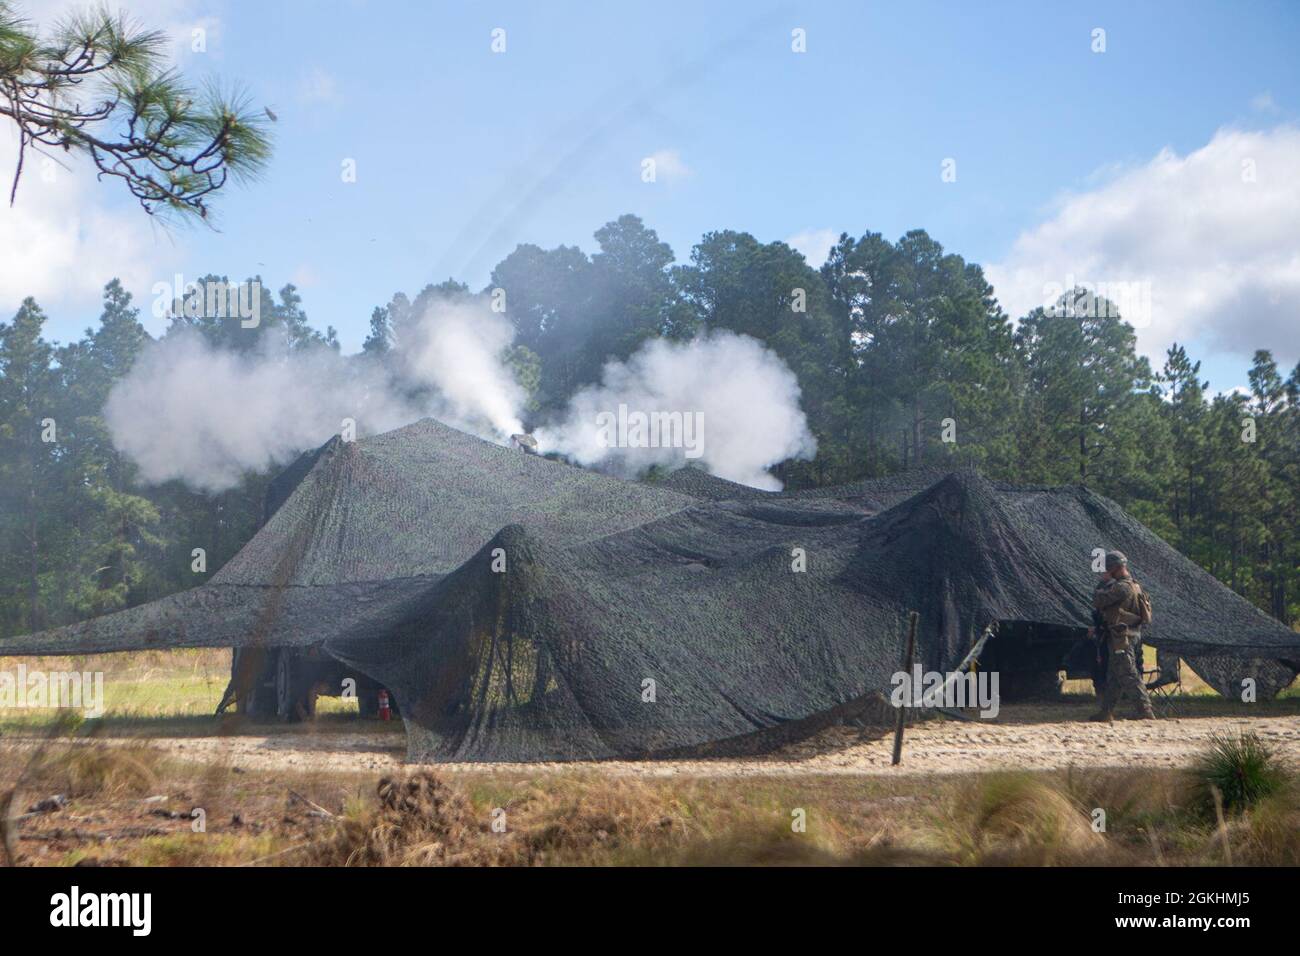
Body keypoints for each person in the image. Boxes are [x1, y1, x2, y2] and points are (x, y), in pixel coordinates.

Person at [1089, 550, 1155, 722]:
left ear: (1113, 568)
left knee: (1128, 673)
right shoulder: (1135, 585)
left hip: (1122, 637)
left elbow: (1098, 601)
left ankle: (1145, 709)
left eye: (1108, 569)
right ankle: (1106, 711)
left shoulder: (1121, 587)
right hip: (1126, 635)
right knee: (1114, 676)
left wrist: (1101, 585)